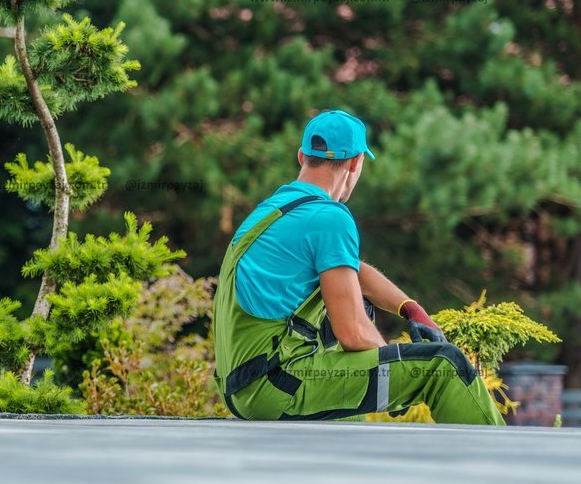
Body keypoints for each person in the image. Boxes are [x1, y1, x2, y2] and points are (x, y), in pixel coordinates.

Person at [212, 109, 504, 425]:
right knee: (444, 365)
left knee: (357, 326)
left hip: (246, 386)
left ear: (302, 157)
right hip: (275, 386)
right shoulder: (330, 217)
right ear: (355, 163)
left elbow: (351, 271)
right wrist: (394, 369)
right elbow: (351, 332)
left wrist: (410, 308)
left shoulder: (274, 211)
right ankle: (503, 467)